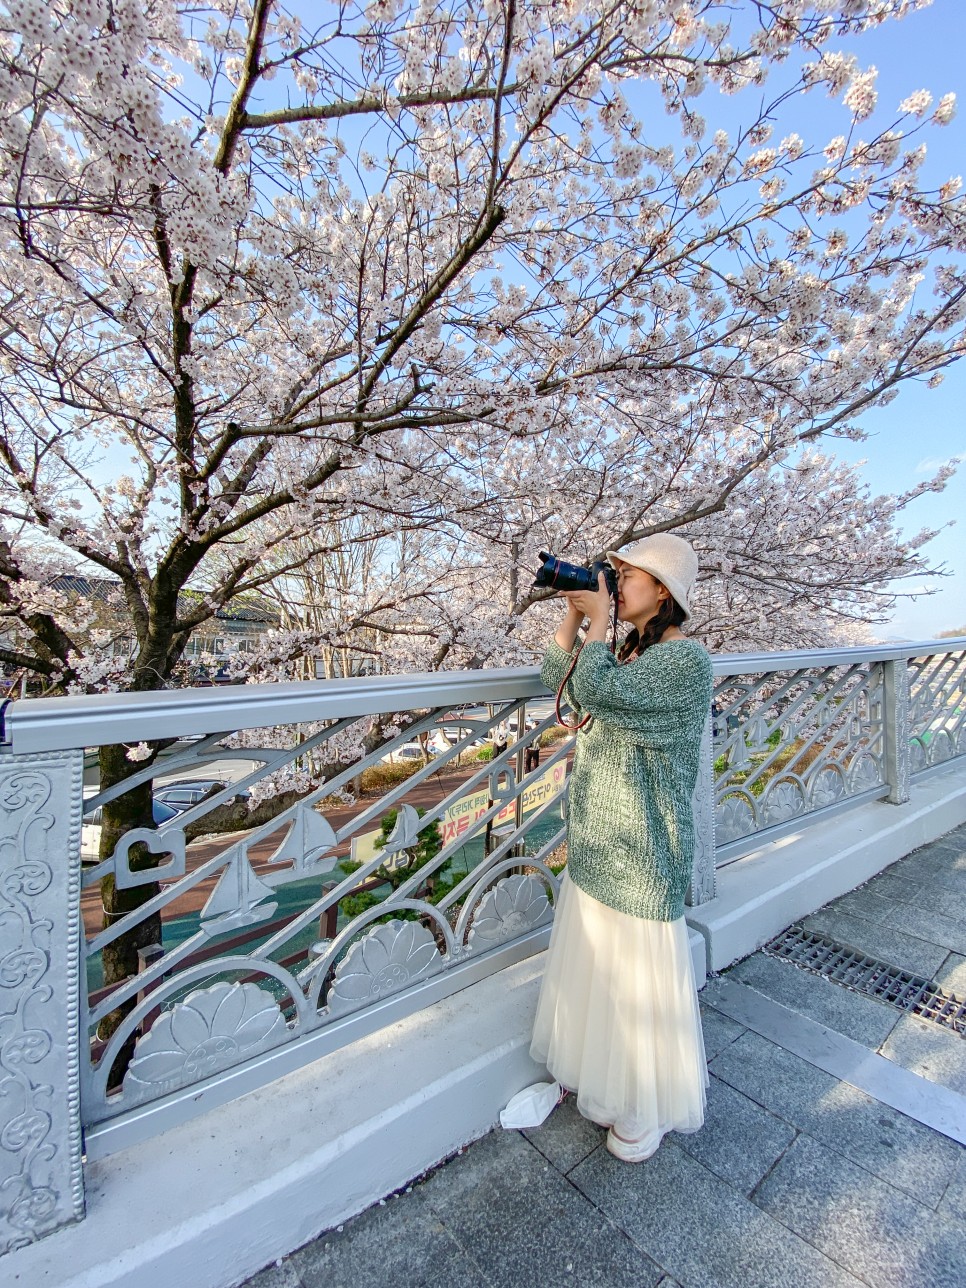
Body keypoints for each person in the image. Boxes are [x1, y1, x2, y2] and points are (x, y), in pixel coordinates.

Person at [530, 532, 713, 1162]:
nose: (614, 581)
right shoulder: (631, 652)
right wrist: (575, 614)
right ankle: (603, 1078)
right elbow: (568, 683)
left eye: (625, 575)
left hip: (644, 847)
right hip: (603, 840)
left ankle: (645, 1101)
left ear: (661, 590)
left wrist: (599, 619)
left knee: (636, 980)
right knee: (601, 969)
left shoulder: (685, 662)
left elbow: (600, 693)